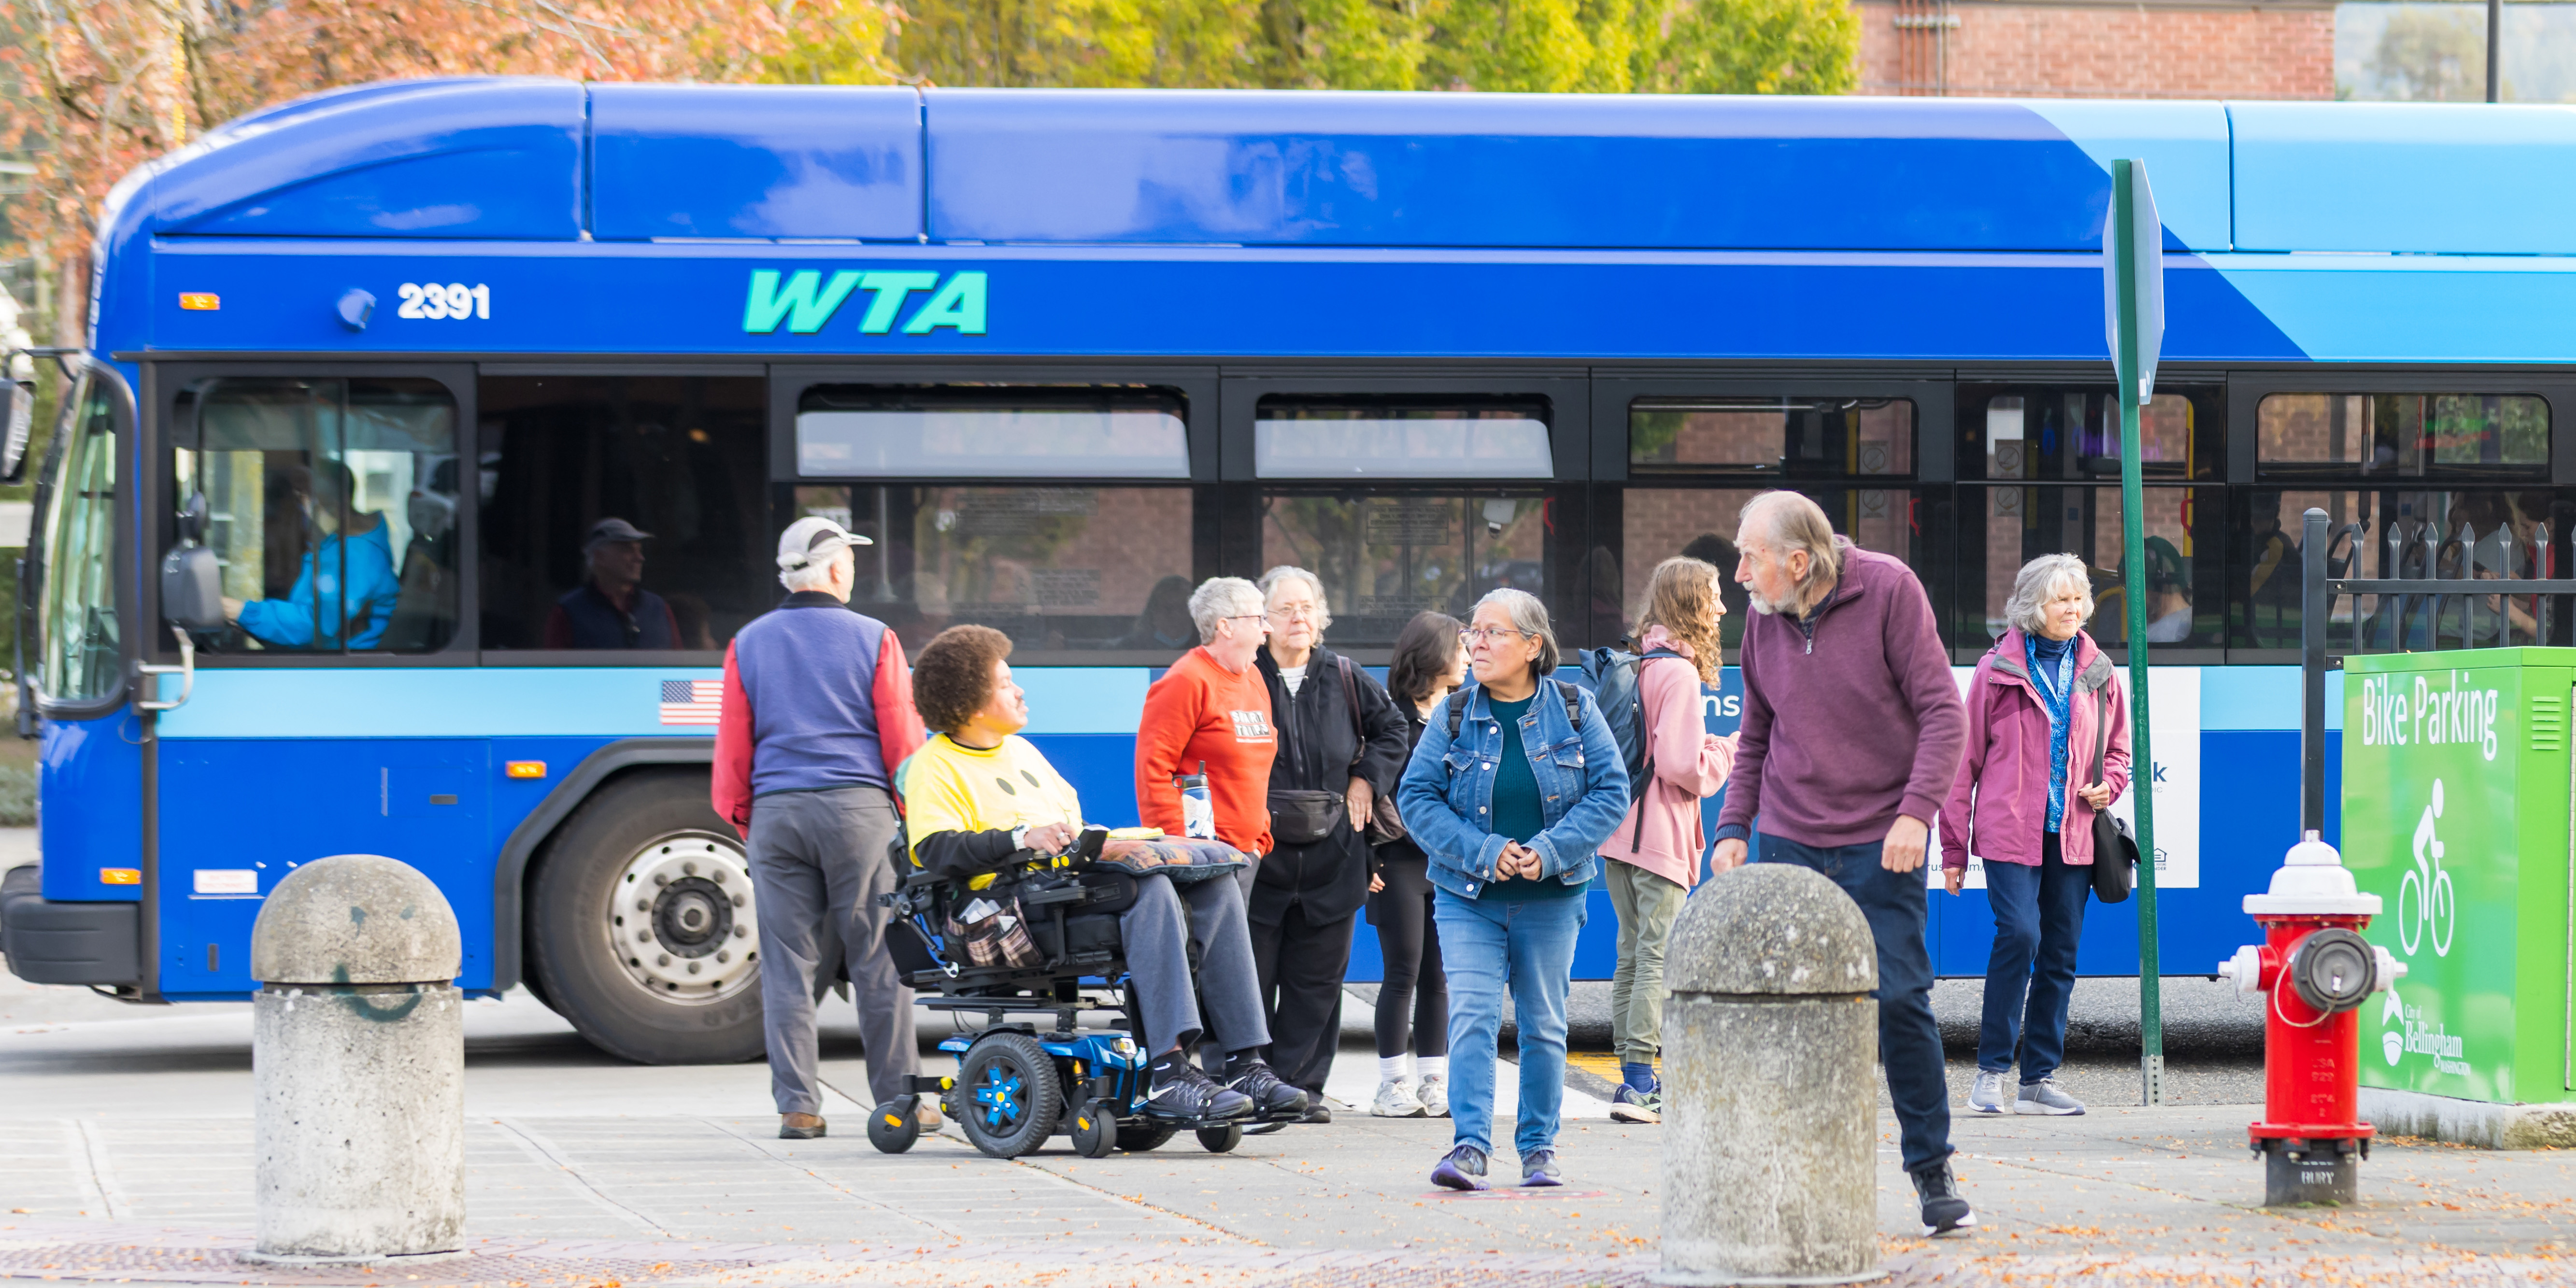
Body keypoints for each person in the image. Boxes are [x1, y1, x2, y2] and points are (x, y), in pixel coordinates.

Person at [901, 624, 1307, 1123]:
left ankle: (1245, 1064)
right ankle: (1169, 1071)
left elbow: (1070, 823)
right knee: (1147, 887)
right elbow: (935, 849)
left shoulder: (1023, 753)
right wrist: (1019, 838)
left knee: (1215, 879)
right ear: (969, 700)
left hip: (1061, 888)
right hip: (1006, 910)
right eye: (1005, 682)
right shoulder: (933, 766)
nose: (1019, 689)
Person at [1708, 491, 1975, 1237]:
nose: (1738, 574)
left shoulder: (1889, 589)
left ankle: (1932, 1170)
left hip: (1878, 837)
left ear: (1797, 561)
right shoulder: (1761, 624)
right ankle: (1795, 1175)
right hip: (1791, 835)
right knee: (1791, 1014)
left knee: (1898, 1000)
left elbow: (1943, 713)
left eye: (1749, 557)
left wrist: (1915, 813)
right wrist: (1734, 825)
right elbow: (1755, 734)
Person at [1397, 589, 1629, 1192]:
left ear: (1532, 645)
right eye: (1474, 631)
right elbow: (1415, 798)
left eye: (1493, 633)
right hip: (1466, 897)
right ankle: (1470, 1147)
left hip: (1552, 898)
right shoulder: (1453, 714)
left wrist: (1549, 853)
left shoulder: (1576, 708)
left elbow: (1611, 792)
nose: (1476, 643)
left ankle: (1538, 1150)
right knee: (1471, 1015)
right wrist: (1485, 850)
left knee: (1544, 1025)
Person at [712, 516, 929, 1142]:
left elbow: (732, 750)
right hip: (857, 813)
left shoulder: (747, 641)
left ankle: (798, 1107)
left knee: (787, 965)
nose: (854, 572)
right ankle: (897, 1100)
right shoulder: (875, 637)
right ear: (836, 570)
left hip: (776, 813)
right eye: (852, 562)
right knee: (878, 961)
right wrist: (912, 817)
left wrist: (747, 819)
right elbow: (902, 741)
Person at [1941, 553, 2131, 1120]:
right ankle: (1990, 1073)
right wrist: (1952, 850)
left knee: (2060, 954)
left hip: (2072, 834)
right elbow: (1961, 765)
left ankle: (2037, 1080)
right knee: (2019, 936)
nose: (2072, 609)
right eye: (2059, 600)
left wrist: (2108, 786)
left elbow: (2119, 751)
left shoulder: (2098, 672)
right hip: (2008, 834)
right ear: (2031, 608)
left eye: (2078, 599)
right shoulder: (1995, 671)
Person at [1251, 566, 1409, 1119]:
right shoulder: (1242, 677)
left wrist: (1365, 777)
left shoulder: (1345, 676)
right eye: (1285, 609)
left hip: (1334, 857)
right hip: (1258, 860)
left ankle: (1299, 1090)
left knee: (1316, 981)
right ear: (1261, 622)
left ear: (1320, 618)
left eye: (1307, 608)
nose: (1298, 618)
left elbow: (1393, 731)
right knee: (1249, 974)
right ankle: (1247, 1082)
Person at [1600, 556, 1738, 1126]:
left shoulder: (1639, 662)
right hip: (1659, 835)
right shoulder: (1679, 673)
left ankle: (1629, 1076)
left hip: (1618, 834)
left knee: (1631, 955)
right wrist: (1727, 749)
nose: (1723, 608)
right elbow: (1685, 766)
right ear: (1689, 605)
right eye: (1713, 596)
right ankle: (1639, 1084)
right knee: (1657, 957)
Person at [1367, 610, 1464, 1119]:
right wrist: (1366, 860)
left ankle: (1433, 1081)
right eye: (1460, 648)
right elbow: (1364, 794)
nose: (1469, 657)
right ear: (1433, 656)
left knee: (1439, 977)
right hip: (1397, 863)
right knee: (1401, 971)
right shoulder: (1390, 720)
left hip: (1444, 866)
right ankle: (1390, 1085)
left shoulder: (1460, 714)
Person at [1137, 577, 1279, 898]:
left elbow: (1259, 767)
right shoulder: (1186, 680)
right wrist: (1187, 851)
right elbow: (1153, 773)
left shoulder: (1253, 677)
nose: (1266, 629)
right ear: (1225, 627)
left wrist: (1260, 838)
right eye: (1258, 619)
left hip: (1245, 856)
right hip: (1203, 862)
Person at [222, 460, 400, 650]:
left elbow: (313, 625)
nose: (303, 508)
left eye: (304, 498)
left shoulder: (357, 554)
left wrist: (240, 612)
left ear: (327, 503)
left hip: (344, 666)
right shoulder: (337, 543)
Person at [544, 517, 682, 649]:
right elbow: (554, 668)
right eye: (627, 549)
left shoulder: (659, 609)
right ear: (600, 557)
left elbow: (677, 665)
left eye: (640, 550)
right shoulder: (568, 612)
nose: (640, 558)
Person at [1118, 575, 1198, 651]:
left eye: (1182, 608)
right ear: (1154, 612)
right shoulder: (1128, 648)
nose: (1176, 615)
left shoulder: (1206, 647)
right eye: (1168, 608)